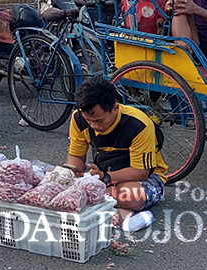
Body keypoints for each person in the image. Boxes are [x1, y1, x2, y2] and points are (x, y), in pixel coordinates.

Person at [66, 76, 167, 228]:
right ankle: (117, 210)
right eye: (89, 121)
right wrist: (69, 175)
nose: (94, 126)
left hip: (142, 179)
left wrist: (104, 176)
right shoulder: (79, 118)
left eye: (99, 121)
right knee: (64, 187)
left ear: (115, 108)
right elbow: (76, 157)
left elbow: (141, 172)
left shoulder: (138, 124)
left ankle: (104, 205)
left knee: (134, 196)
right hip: (103, 178)